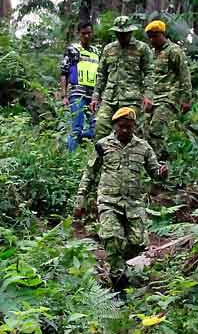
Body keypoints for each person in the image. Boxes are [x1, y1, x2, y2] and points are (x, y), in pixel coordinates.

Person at [74, 107, 168, 291]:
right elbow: (90, 173)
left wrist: (162, 173)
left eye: (129, 126)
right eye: (121, 126)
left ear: (134, 126)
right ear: (114, 126)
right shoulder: (103, 145)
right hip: (108, 201)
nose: (125, 130)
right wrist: (81, 199)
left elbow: (155, 173)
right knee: (113, 238)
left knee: (138, 242)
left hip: (133, 203)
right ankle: (118, 284)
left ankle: (119, 264)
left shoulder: (143, 147)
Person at [90, 17, 152, 141]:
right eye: (118, 33)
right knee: (100, 127)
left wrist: (148, 95)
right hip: (110, 98)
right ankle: (104, 153)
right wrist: (95, 97)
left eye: (125, 34)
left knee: (130, 132)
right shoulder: (109, 49)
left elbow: (149, 73)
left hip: (131, 98)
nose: (122, 36)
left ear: (131, 32)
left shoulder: (142, 48)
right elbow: (101, 75)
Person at [142, 18, 192, 160]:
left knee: (156, 129)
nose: (152, 40)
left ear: (162, 34)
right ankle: (161, 159)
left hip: (169, 98)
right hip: (153, 98)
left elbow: (184, 75)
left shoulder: (174, 51)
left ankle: (160, 162)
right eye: (150, 37)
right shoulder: (152, 54)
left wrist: (186, 99)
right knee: (145, 131)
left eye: (155, 36)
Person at [59, 21, 101, 151]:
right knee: (77, 127)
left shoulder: (96, 52)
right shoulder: (72, 50)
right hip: (77, 93)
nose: (87, 36)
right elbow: (64, 73)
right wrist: (64, 96)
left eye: (89, 33)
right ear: (79, 34)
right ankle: (70, 156)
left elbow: (101, 74)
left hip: (93, 95)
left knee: (96, 128)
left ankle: (73, 142)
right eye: (84, 33)